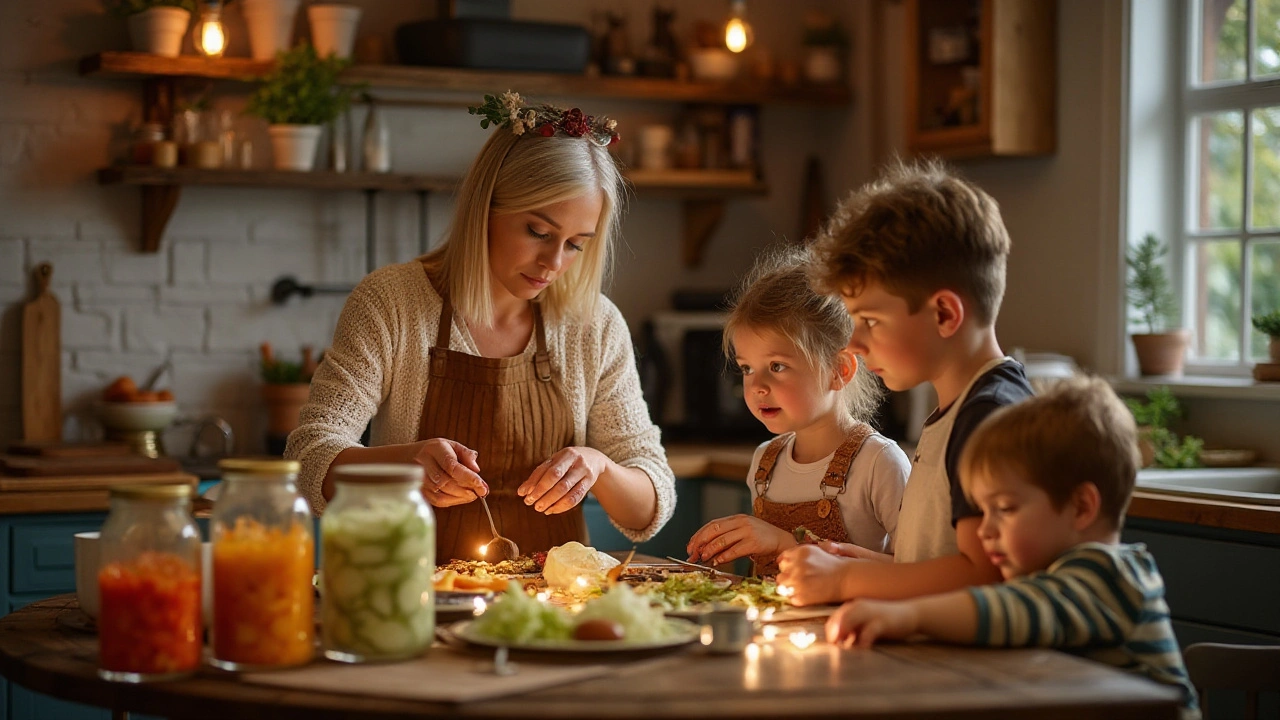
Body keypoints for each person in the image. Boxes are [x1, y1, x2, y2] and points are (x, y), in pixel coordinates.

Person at [285, 92, 675, 560]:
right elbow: (307, 457)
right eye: (538, 232)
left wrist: (599, 467)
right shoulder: (393, 302)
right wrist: (405, 462)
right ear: (485, 208)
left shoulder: (594, 325)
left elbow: (649, 504)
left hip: (549, 614)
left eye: (576, 244)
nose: (554, 262)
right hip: (409, 596)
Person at [825, 378, 1200, 719]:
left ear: (1082, 507)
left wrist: (908, 616)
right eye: (982, 510)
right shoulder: (1049, 574)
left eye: (1004, 509)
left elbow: (1018, 608)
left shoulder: (1111, 576)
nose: (985, 529)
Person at [777, 158, 1034, 604]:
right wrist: (853, 565)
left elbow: (986, 578)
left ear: (944, 314)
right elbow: (936, 568)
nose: (855, 343)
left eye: (870, 321)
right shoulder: (958, 410)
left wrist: (845, 582)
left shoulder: (989, 417)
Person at [684, 247, 909, 575]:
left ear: (839, 370)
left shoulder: (879, 463)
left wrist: (786, 544)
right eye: (747, 368)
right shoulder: (764, 462)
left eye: (776, 366)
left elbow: (913, 574)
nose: (756, 385)